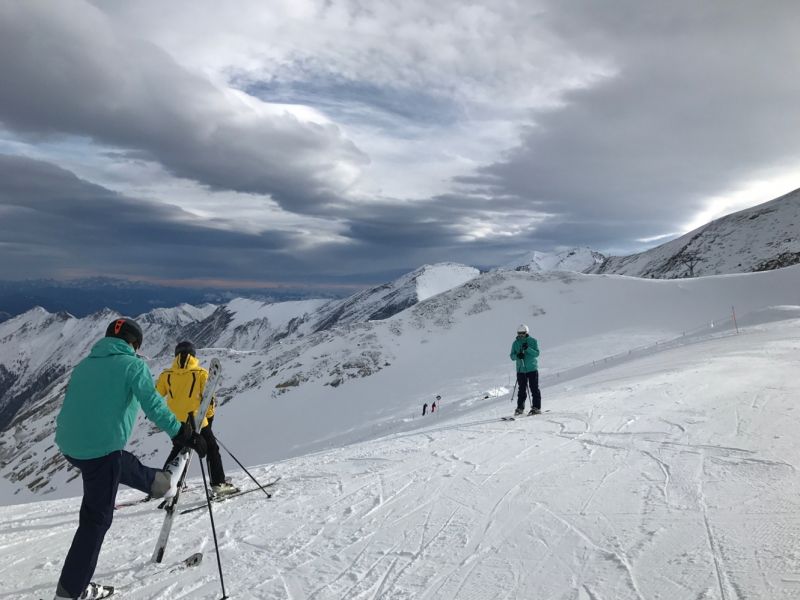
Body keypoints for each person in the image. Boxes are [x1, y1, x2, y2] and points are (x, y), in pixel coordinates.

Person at [53, 318, 206, 600]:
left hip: (69, 445)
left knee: (116, 464)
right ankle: (70, 592)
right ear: (134, 343)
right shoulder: (133, 366)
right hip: (101, 451)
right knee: (95, 521)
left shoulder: (85, 365)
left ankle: (161, 484)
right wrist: (181, 433)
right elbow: (153, 404)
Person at [156, 341, 236, 497]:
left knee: (178, 450)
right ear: (193, 355)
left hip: (175, 423)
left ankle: (162, 484)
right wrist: (209, 418)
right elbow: (209, 400)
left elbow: (156, 396)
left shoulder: (166, 375)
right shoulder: (201, 373)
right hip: (197, 420)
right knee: (211, 448)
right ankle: (218, 483)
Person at [509, 324, 541, 416]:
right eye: (519, 333)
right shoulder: (515, 343)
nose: (521, 335)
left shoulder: (533, 341)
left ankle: (536, 408)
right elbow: (512, 356)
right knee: (521, 390)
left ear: (526, 332)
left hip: (532, 369)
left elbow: (537, 354)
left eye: (522, 333)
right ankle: (520, 408)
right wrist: (517, 356)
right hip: (521, 370)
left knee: (534, 388)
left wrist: (527, 349)